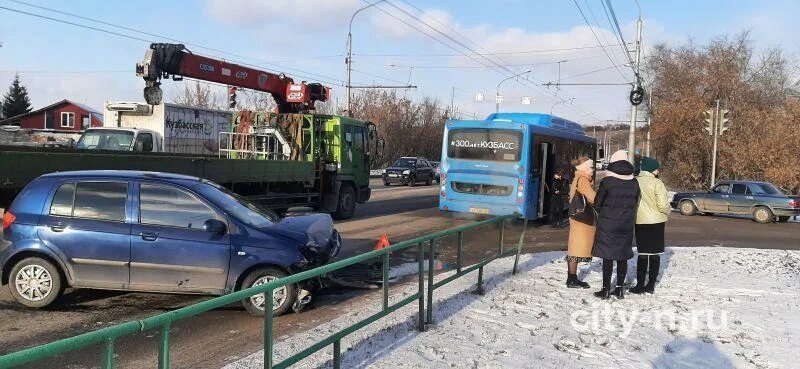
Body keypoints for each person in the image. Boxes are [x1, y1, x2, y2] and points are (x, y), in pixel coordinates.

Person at [592, 150, 640, 299]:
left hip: (608, 224)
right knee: (622, 256)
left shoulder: (607, 182)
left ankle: (605, 289)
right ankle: (619, 289)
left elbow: (597, 204)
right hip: (626, 224)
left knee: (608, 256)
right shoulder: (634, 182)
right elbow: (636, 201)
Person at [630, 157, 670, 294]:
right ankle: (651, 285)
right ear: (652, 169)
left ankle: (639, 285)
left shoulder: (635, 181)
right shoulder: (657, 183)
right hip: (657, 222)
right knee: (655, 254)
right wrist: (667, 211)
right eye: (657, 168)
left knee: (642, 254)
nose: (658, 170)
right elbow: (663, 205)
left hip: (640, 221)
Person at [565, 157, 596, 288]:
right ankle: (571, 279)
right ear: (584, 168)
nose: (593, 170)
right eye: (590, 168)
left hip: (577, 217)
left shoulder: (578, 177)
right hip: (581, 218)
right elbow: (593, 198)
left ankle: (572, 277)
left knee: (574, 246)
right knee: (575, 248)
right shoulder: (583, 180)